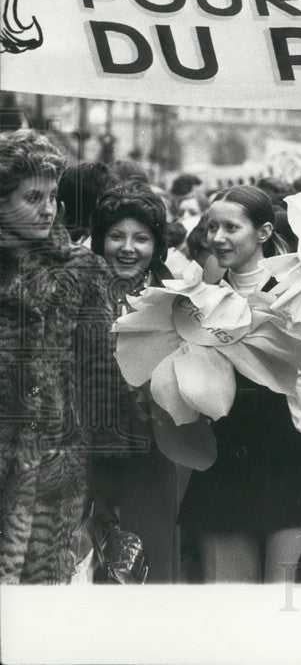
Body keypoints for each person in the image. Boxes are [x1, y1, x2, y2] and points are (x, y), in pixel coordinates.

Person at [177, 185, 301, 583]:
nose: (217, 238)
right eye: (211, 227)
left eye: (231, 228)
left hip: (292, 466)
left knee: (284, 603)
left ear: (263, 232)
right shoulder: (198, 298)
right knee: (230, 608)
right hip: (225, 468)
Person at [1, 130, 127, 583]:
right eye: (32, 196)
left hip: (56, 470)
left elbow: (102, 376)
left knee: (37, 600)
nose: (48, 208)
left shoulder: (85, 269)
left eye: (53, 196)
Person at [88, 181, 191, 582]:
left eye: (141, 238)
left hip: (154, 451)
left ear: (157, 246)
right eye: (116, 236)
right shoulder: (78, 291)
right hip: (89, 450)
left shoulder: (176, 299)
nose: (128, 247)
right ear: (100, 241)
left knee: (150, 561)